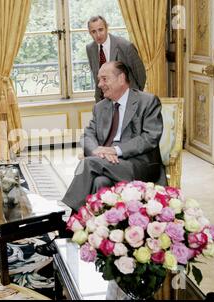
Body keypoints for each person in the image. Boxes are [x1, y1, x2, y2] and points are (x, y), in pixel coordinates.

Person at [36, 61, 166, 256]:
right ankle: (98, 239)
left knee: (88, 163)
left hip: (138, 164)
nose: (100, 84)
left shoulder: (147, 101)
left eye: (104, 79)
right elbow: (87, 135)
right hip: (105, 164)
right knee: (100, 181)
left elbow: (150, 138)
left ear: (121, 78)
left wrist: (115, 150)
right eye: (99, 80)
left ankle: (66, 226)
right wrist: (98, 151)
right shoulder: (101, 107)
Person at [86, 15, 146, 103]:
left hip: (127, 99)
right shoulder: (90, 49)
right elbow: (97, 77)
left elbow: (140, 76)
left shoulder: (125, 46)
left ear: (107, 28)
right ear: (90, 33)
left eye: (101, 29)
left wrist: (134, 96)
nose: (98, 35)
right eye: (93, 32)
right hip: (104, 101)